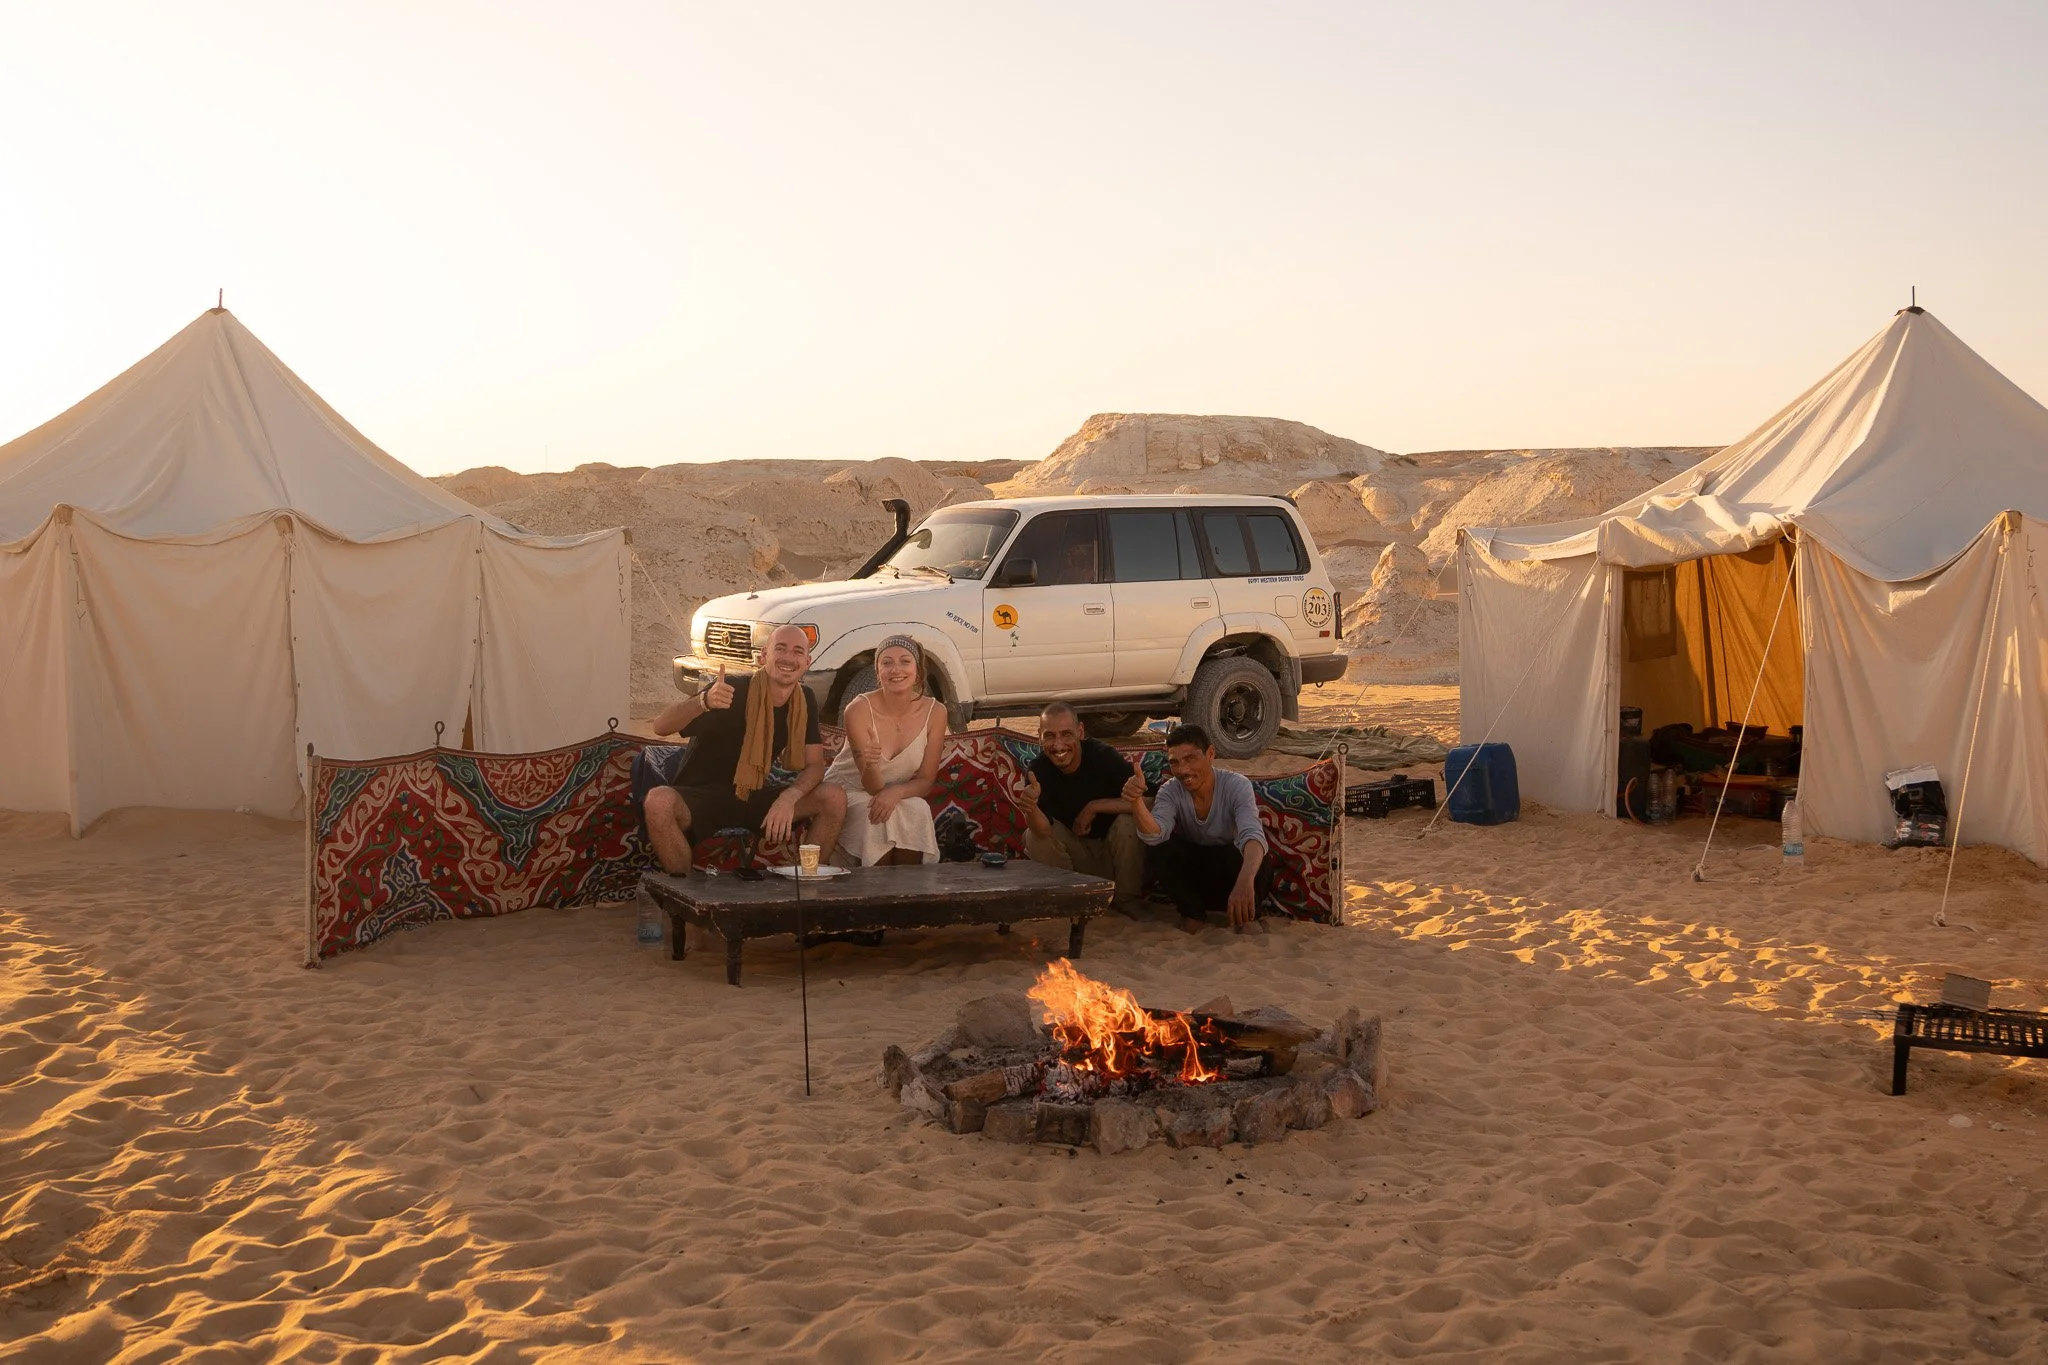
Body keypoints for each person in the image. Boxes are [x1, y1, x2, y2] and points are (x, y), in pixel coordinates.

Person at [641, 624, 847, 874]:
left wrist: (788, 798)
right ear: (763, 656)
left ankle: (806, 887)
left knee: (834, 797)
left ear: (807, 661)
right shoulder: (732, 689)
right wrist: (703, 702)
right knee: (658, 801)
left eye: (797, 651)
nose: (788, 658)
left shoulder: (805, 699)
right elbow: (660, 726)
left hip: (753, 795)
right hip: (702, 796)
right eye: (780, 649)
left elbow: (815, 765)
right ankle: (685, 899)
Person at [1129, 723, 1271, 933]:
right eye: (1175, 763)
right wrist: (1136, 801)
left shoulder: (1236, 785)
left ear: (1210, 754)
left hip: (1234, 876)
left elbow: (1252, 833)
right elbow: (1155, 834)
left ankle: (1247, 916)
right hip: (1198, 879)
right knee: (1161, 848)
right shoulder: (1170, 791)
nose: (1183, 770)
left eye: (1190, 759)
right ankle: (1193, 915)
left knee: (1255, 855)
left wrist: (1245, 881)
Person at [823, 635, 944, 866]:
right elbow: (872, 786)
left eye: (905, 661)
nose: (895, 669)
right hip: (848, 792)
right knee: (875, 817)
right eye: (886, 663)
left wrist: (896, 793)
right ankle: (875, 894)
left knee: (917, 808)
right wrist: (870, 764)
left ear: (918, 671)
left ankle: (910, 893)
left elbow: (926, 781)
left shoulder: (936, 712)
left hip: (894, 794)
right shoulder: (857, 709)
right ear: (878, 673)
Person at [1017, 701, 1145, 910]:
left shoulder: (1103, 756)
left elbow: (1149, 801)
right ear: (1039, 736)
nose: (1058, 746)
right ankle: (1069, 898)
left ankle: (1126, 899)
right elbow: (1043, 831)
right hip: (1075, 862)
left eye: (1066, 734)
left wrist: (1094, 807)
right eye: (1050, 736)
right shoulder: (1037, 770)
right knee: (1032, 836)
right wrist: (1030, 807)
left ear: (1081, 732)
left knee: (1129, 820)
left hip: (1113, 857)